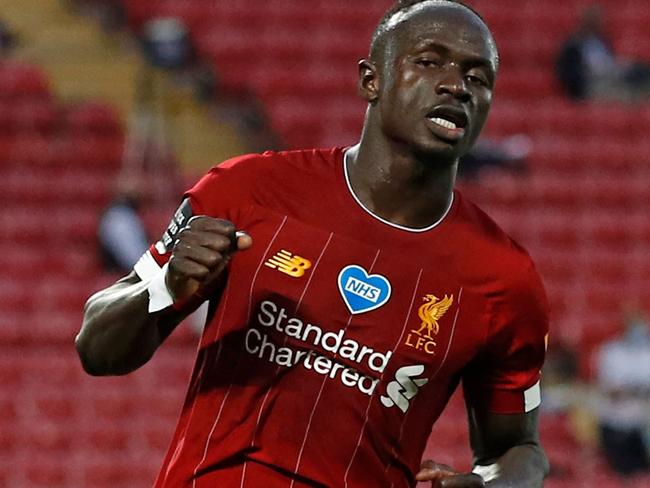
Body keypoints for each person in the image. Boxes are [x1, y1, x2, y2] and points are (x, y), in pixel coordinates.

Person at [76, 1, 550, 486]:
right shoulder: (246, 191)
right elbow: (97, 348)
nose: (456, 86)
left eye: (478, 77)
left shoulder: (503, 279)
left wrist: (492, 486)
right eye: (429, 62)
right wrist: (165, 287)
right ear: (371, 80)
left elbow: (518, 449)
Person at [595, 309, 650, 477]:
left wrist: (630, 389)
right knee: (621, 473)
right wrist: (638, 389)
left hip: (643, 424)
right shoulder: (611, 352)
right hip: (616, 424)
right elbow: (611, 391)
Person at [555, 5, 650, 102]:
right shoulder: (573, 46)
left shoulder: (602, 41)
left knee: (639, 71)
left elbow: (609, 60)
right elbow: (570, 75)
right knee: (628, 95)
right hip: (593, 85)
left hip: (613, 78)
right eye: (591, 20)